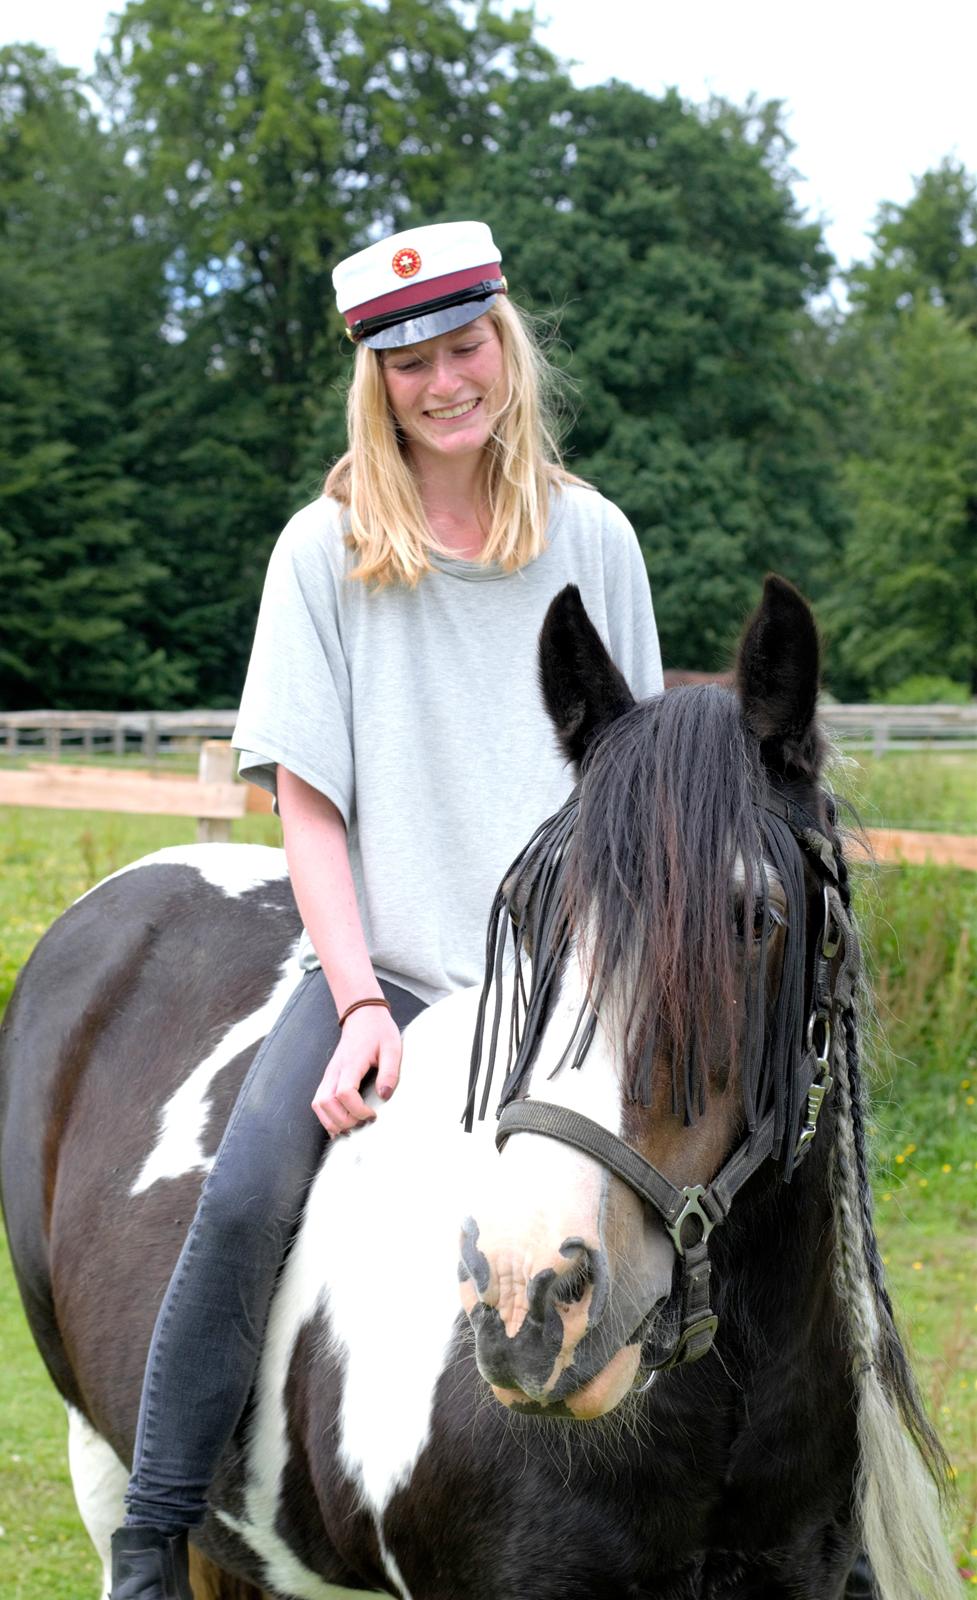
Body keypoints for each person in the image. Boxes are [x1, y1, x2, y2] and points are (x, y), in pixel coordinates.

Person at [109, 220, 664, 1599]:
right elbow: (309, 805)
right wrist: (356, 999)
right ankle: (152, 1530)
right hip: (401, 970)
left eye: (463, 344)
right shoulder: (324, 551)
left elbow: (643, 779)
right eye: (407, 360)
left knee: (749, 1178)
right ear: (376, 379)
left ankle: (815, 1533)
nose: (442, 380)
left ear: (504, 344)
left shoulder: (592, 535)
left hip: (576, 986)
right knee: (240, 1197)